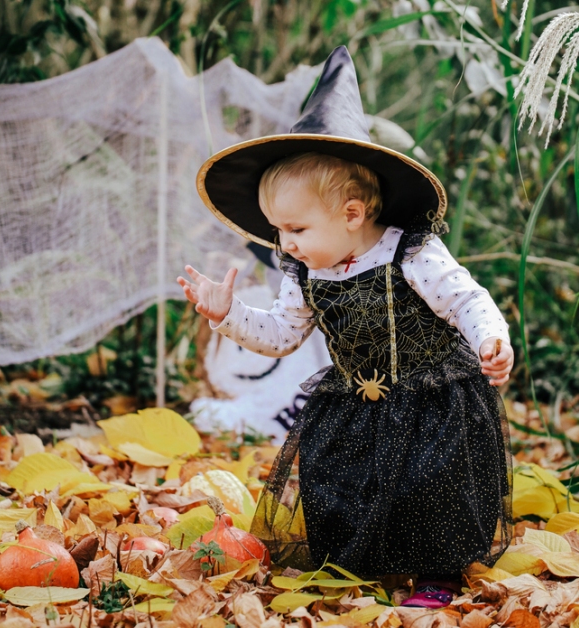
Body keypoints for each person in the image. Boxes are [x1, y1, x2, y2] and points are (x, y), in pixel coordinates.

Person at [178, 46, 514, 608]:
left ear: (352, 214)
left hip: (430, 396)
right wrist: (227, 314)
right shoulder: (303, 271)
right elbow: (281, 335)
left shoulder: (412, 252)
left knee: (428, 485)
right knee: (342, 481)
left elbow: (466, 300)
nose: (285, 243)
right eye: (278, 230)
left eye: (296, 228)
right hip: (353, 399)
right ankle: (360, 564)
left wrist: (490, 339)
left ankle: (437, 572)